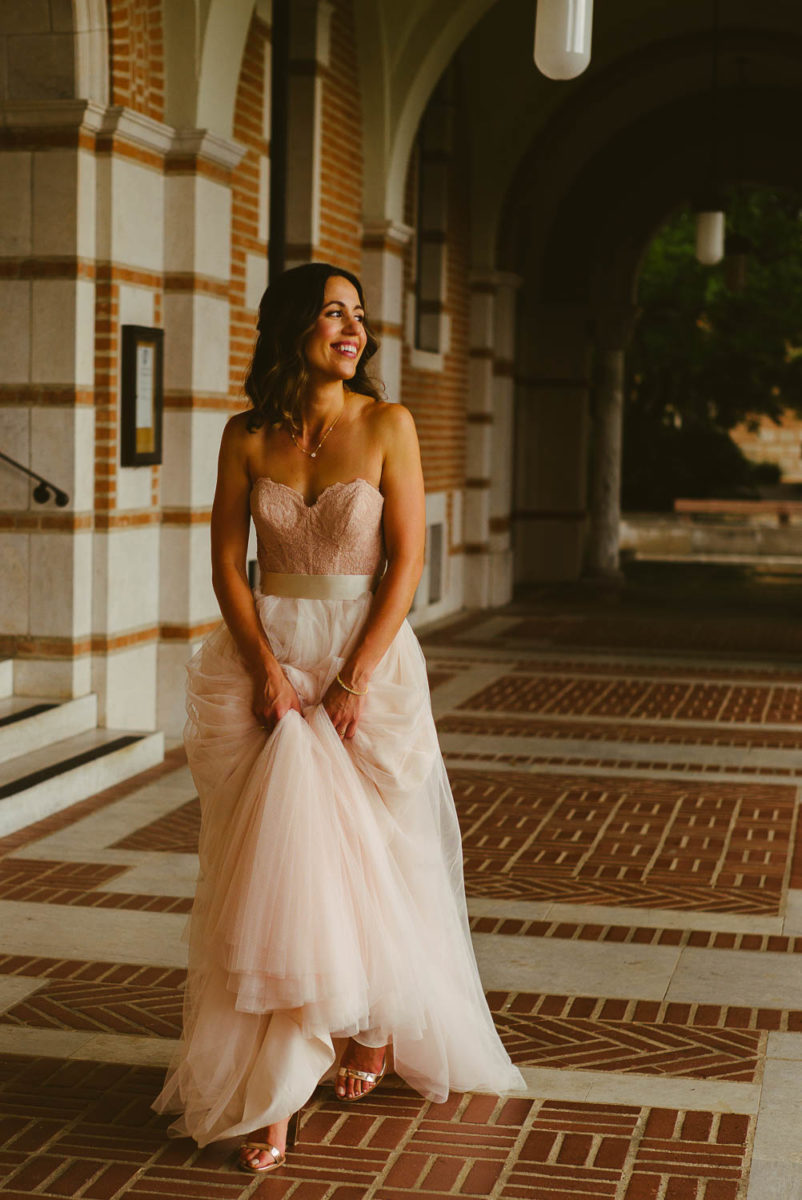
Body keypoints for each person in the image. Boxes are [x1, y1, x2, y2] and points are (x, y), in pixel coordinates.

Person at [152, 262, 525, 1174]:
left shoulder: (389, 426)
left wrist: (356, 675)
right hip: (270, 655)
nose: (352, 329)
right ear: (293, 328)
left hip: (368, 655)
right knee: (272, 872)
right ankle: (275, 1087)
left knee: (382, 856)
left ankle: (373, 1025)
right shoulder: (244, 437)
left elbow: (406, 564)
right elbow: (227, 569)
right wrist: (264, 668)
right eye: (331, 313)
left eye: (358, 315)